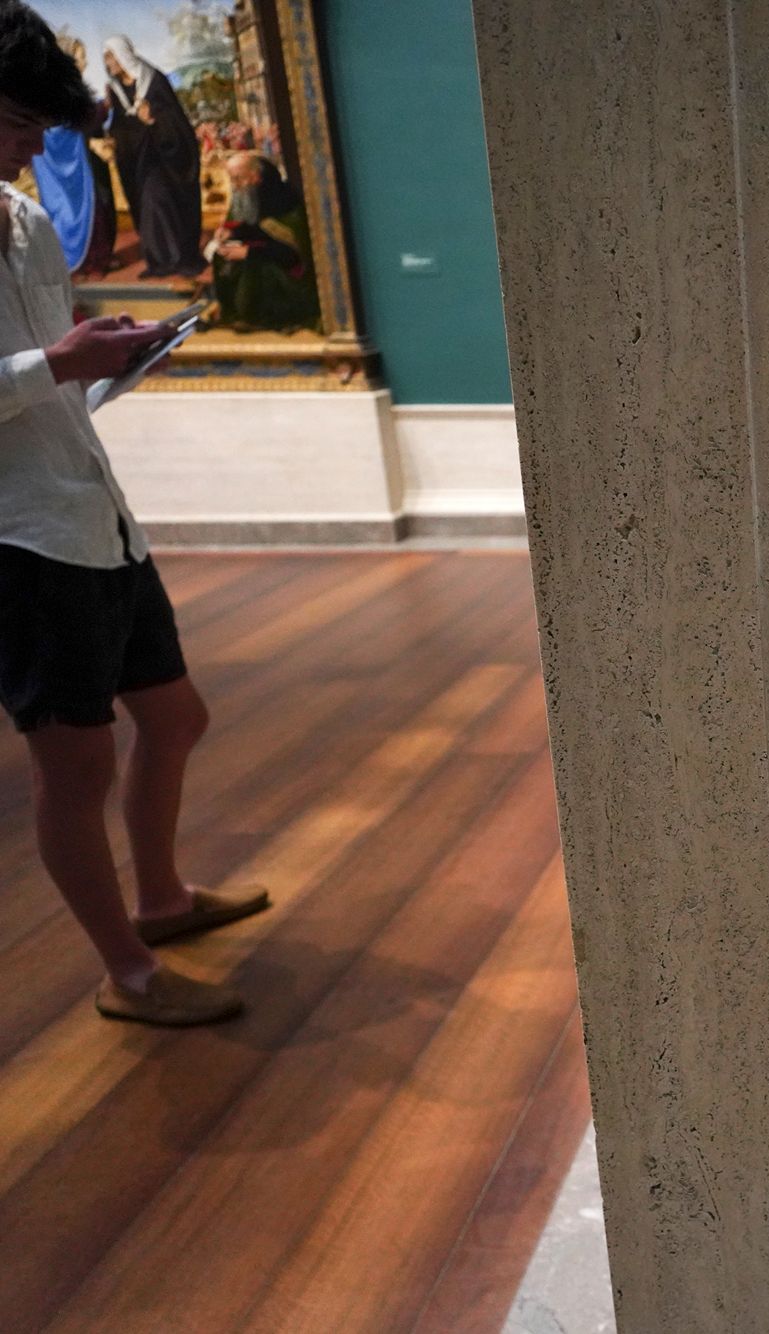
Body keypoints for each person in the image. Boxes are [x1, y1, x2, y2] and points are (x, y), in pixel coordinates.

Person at [0, 0, 267, 1026]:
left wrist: (100, 349)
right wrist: (57, 362)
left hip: (92, 510)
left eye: (40, 129)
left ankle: (159, 900)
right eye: (17, 125)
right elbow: (35, 367)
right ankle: (129, 973)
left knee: (175, 715)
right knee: (75, 767)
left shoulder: (23, 220)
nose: (32, 151)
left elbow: (42, 357)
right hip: (21, 537)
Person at [103, 34, 204, 279]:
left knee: (156, 200)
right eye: (106, 58)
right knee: (147, 204)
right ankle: (159, 261)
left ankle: (176, 258)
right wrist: (115, 139)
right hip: (136, 159)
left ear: (123, 55)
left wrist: (152, 121)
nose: (107, 63)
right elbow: (120, 125)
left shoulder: (152, 80)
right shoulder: (115, 90)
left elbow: (174, 120)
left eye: (111, 57)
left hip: (164, 158)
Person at [206, 153, 320, 332]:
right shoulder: (250, 196)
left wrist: (249, 252)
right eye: (232, 179)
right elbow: (254, 229)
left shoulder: (284, 200)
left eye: (238, 179)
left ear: (255, 177)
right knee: (221, 257)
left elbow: (292, 255)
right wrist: (231, 233)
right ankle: (231, 310)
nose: (234, 185)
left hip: (290, 276)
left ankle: (255, 316)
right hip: (264, 254)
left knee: (253, 264)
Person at [27, 33, 111, 275]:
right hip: (64, 164)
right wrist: (103, 108)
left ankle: (92, 261)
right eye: (80, 58)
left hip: (67, 161)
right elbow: (69, 123)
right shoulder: (60, 90)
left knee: (89, 210)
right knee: (79, 211)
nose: (85, 63)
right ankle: (88, 263)